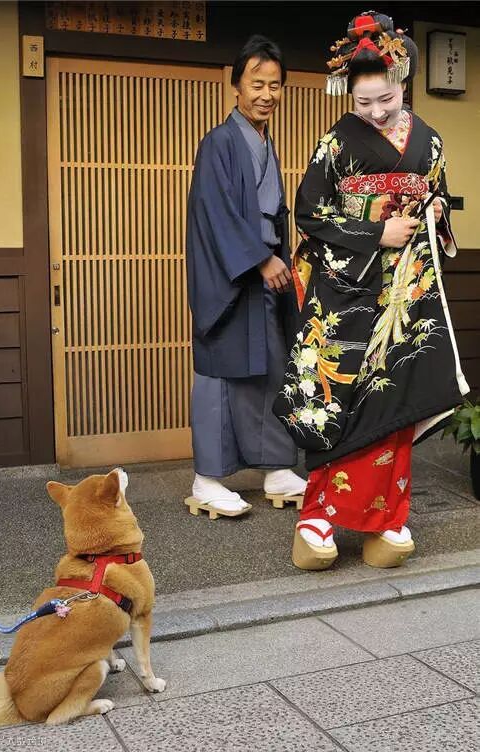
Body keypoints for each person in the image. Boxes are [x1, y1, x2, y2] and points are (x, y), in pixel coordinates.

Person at [273, 11, 469, 567]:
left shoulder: (429, 141)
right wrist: (375, 232)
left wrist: (433, 210)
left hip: (405, 291)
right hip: (348, 289)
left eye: (387, 99)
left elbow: (439, 196)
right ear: (348, 95)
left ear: (403, 84)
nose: (377, 112)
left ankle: (387, 519)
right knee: (341, 396)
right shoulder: (336, 142)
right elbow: (309, 213)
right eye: (364, 103)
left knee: (396, 395)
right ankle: (319, 518)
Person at [185, 35, 307, 519]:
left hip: (266, 275)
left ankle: (275, 467)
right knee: (220, 373)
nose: (266, 95)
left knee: (272, 367)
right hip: (233, 279)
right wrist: (259, 260)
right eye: (257, 84)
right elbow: (214, 212)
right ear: (236, 85)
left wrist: (281, 259)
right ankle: (207, 479)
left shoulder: (264, 143)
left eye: (275, 86)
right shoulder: (219, 141)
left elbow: (273, 212)